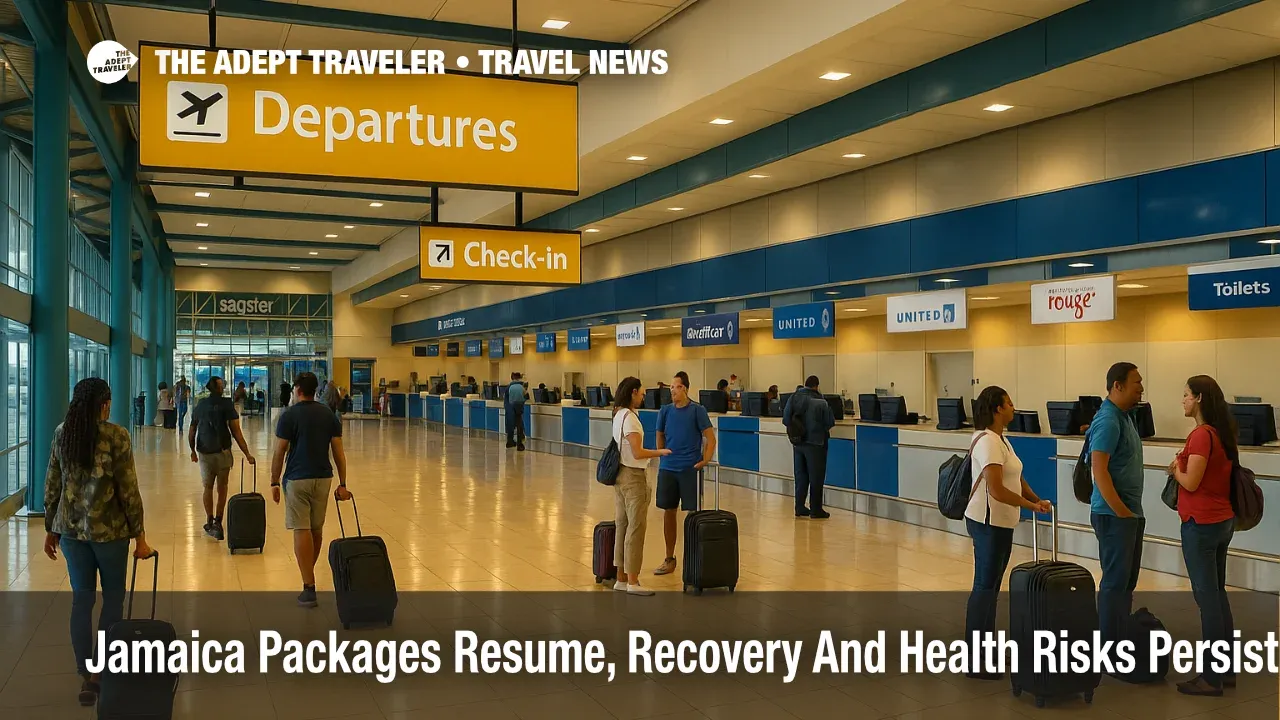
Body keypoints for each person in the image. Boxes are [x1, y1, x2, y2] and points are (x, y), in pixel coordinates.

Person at [42, 378, 151, 707]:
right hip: (111, 534)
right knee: (113, 600)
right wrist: (140, 538)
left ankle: (84, 670)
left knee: (82, 600)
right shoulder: (116, 437)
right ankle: (101, 671)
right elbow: (128, 489)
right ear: (104, 404)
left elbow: (52, 483)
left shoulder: (64, 433)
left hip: (73, 534)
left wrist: (51, 528)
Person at [963, 386, 1051, 680]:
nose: (1014, 407)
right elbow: (997, 489)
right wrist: (1029, 506)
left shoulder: (1002, 440)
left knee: (991, 587)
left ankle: (984, 652)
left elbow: (1017, 477)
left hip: (1002, 522)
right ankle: (976, 660)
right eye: (1010, 403)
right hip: (987, 523)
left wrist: (1035, 499)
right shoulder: (987, 441)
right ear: (997, 408)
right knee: (984, 588)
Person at [1169, 375, 1238, 696]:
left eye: (1185, 395)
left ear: (1198, 399)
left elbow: (1192, 481)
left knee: (1206, 600)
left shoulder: (1200, 435)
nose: (1182, 399)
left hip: (1201, 523)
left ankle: (1211, 677)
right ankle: (1226, 670)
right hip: (1222, 521)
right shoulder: (1222, 433)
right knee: (1217, 595)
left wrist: (1175, 470)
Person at [270, 372, 350, 607]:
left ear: (296, 389)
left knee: (301, 529)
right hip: (323, 478)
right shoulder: (328, 415)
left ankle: (308, 586)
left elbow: (279, 452)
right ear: (315, 390)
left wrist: (274, 481)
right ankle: (309, 574)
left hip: (297, 478)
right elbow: (338, 452)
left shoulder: (289, 415)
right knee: (316, 529)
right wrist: (343, 484)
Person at [1088, 362, 1146, 646]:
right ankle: (1109, 649)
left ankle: (1119, 640)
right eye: (1136, 383)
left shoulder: (1126, 417)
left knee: (1126, 584)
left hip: (1129, 515)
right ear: (1117, 386)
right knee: (1114, 584)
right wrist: (1121, 512)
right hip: (1114, 516)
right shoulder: (1108, 420)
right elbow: (1099, 470)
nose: (1142, 389)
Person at [611, 377, 672, 596]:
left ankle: (621, 577)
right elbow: (637, 452)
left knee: (622, 526)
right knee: (636, 528)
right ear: (633, 392)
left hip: (619, 475)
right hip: (633, 477)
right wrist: (660, 452)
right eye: (642, 393)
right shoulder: (631, 418)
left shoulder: (617, 415)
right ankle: (633, 581)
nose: (644, 397)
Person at [653, 371, 716, 576]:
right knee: (668, 511)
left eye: (676, 387)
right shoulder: (665, 411)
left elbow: (710, 437)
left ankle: (693, 558)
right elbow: (660, 435)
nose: (672, 390)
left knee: (693, 514)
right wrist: (663, 455)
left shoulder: (697, 410)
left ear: (685, 389)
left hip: (690, 469)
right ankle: (669, 557)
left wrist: (705, 460)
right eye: (670, 387)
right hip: (668, 468)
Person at [189, 376, 255, 541]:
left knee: (207, 487)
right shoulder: (227, 404)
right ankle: (218, 521)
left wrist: (192, 450)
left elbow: (192, 430)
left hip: (204, 452)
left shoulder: (201, 404)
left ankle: (209, 520)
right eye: (222, 385)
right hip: (223, 451)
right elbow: (236, 431)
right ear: (219, 388)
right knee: (222, 486)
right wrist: (247, 453)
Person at [783, 375, 837, 518]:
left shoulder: (793, 398)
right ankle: (816, 509)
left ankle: (799, 507)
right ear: (816, 386)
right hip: (816, 443)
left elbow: (786, 419)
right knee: (816, 477)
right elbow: (830, 422)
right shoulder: (821, 402)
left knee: (800, 476)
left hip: (798, 442)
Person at [506, 372, 526, 450]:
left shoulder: (509, 387)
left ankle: (510, 441)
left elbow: (506, 398)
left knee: (510, 425)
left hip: (510, 406)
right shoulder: (522, 387)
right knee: (519, 425)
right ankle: (519, 444)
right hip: (519, 406)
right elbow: (526, 396)